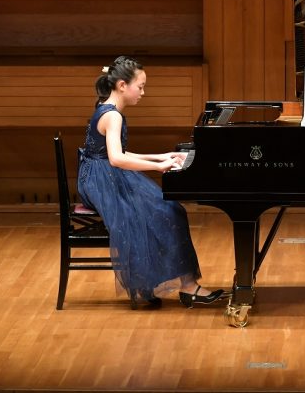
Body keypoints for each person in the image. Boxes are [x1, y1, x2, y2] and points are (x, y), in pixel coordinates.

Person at [77, 55, 225, 309]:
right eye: (141, 86)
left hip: (97, 175)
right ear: (122, 85)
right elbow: (116, 159)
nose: (143, 92)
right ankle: (188, 287)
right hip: (102, 180)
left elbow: (118, 154)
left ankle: (182, 285)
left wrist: (162, 155)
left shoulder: (106, 108)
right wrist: (158, 166)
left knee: (166, 209)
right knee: (166, 210)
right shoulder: (113, 116)